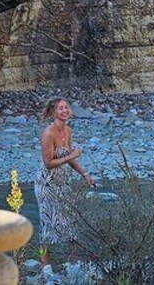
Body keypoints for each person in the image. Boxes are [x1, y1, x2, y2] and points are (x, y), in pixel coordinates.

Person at [34, 97, 94, 267]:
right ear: (54, 112)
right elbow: (48, 163)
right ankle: (44, 267)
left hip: (64, 182)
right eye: (61, 108)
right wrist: (72, 155)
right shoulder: (48, 134)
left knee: (71, 220)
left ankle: (73, 264)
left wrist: (84, 174)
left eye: (66, 107)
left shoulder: (67, 130)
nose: (65, 111)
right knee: (47, 225)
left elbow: (68, 156)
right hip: (47, 184)